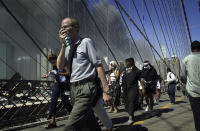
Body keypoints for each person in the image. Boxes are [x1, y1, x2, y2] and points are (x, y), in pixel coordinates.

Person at [57, 17, 111, 131]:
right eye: (62, 27)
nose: (63, 29)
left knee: (71, 126)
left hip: (86, 88)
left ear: (75, 27)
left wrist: (106, 91)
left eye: (66, 26)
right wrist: (62, 45)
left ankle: (109, 126)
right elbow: (60, 66)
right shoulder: (67, 47)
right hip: (73, 89)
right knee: (89, 123)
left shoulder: (86, 42)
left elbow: (99, 66)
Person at [42, 53, 72, 129]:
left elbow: (68, 73)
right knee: (53, 100)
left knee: (65, 101)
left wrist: (59, 73)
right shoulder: (54, 66)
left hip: (65, 85)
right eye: (51, 62)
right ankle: (52, 121)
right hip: (57, 84)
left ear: (57, 59)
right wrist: (48, 75)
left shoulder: (63, 63)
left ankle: (74, 116)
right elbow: (54, 73)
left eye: (54, 61)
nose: (53, 63)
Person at [180, 40, 200, 131]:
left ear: (191, 48)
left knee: (197, 116)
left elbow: (183, 76)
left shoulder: (186, 59)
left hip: (193, 93)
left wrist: (184, 82)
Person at [122, 58, 144, 124]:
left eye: (127, 62)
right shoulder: (124, 69)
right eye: (125, 62)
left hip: (133, 88)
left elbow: (140, 79)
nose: (126, 64)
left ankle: (130, 117)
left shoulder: (136, 70)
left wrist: (143, 88)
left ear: (131, 62)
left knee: (131, 101)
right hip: (125, 89)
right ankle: (131, 114)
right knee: (127, 102)